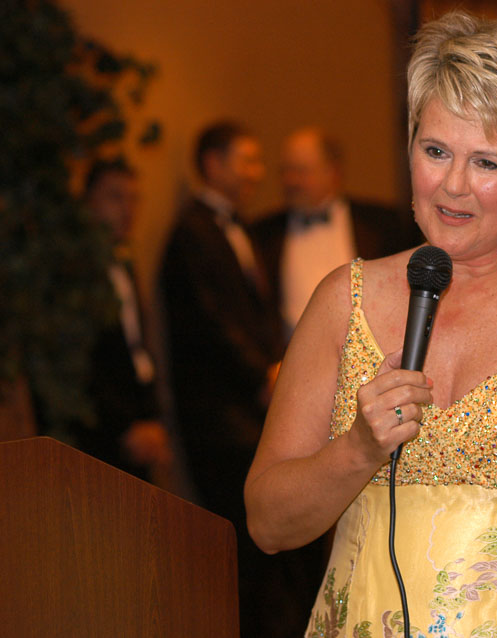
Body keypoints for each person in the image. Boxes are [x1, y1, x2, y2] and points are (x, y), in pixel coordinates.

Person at [245, 11, 497, 638]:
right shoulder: (342, 300)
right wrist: (357, 450)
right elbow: (268, 525)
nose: (453, 185)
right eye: (435, 151)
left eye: (486, 162)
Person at [159, 121, 288, 637]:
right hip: (220, 419)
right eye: (247, 160)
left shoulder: (242, 227)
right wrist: (262, 373)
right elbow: (208, 323)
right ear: (213, 164)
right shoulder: (191, 233)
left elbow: (257, 313)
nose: (258, 172)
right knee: (239, 545)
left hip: (250, 411)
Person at [251, 127, 422, 336]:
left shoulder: (382, 223)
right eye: (285, 171)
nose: (291, 181)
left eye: (301, 171)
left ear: (332, 172)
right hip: (290, 352)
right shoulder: (262, 233)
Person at [69, 158, 172, 481]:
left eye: (133, 199)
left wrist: (152, 418)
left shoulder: (125, 263)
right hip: (95, 436)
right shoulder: (76, 270)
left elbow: (137, 352)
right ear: (88, 202)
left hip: (136, 423)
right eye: (115, 197)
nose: (127, 209)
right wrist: (124, 426)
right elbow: (82, 361)